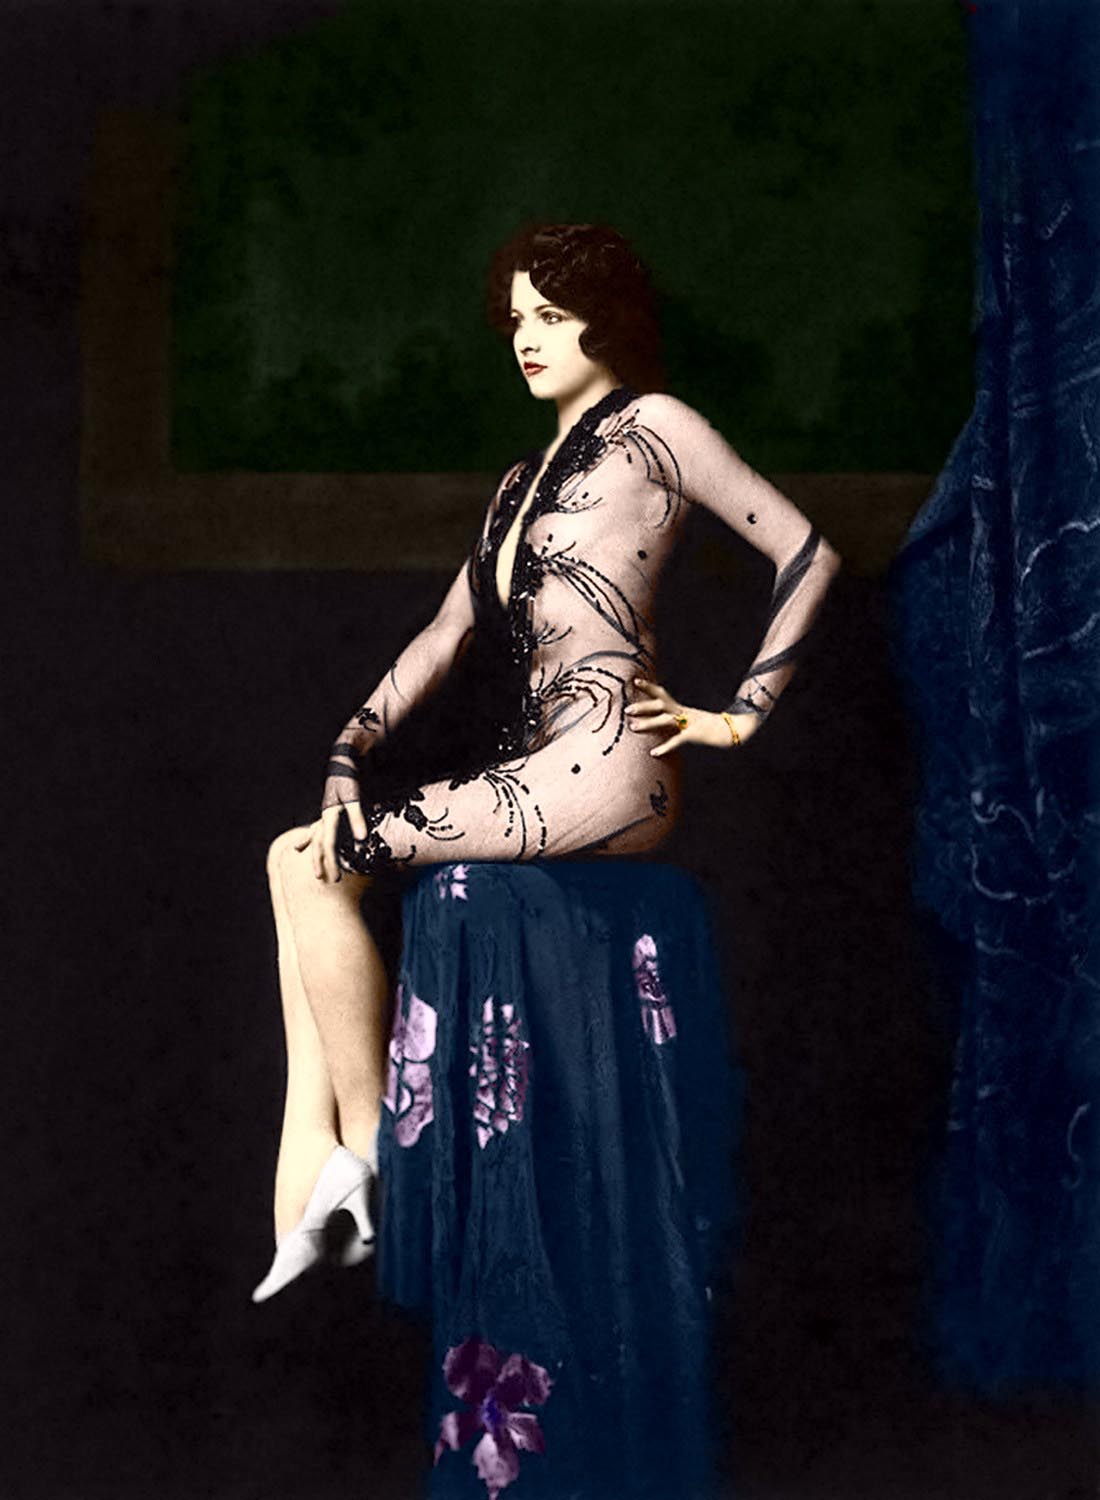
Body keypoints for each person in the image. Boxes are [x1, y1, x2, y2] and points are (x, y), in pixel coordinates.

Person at [253, 221, 842, 1304]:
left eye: (554, 315)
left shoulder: (657, 427)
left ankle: (375, 1158)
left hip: (611, 765)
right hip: (537, 770)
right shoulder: (519, 482)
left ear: (603, 320)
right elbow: (445, 637)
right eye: (518, 317)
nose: (527, 337)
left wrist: (737, 716)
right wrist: (347, 747)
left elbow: (807, 552)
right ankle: (333, 1166)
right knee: (295, 856)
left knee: (317, 867)